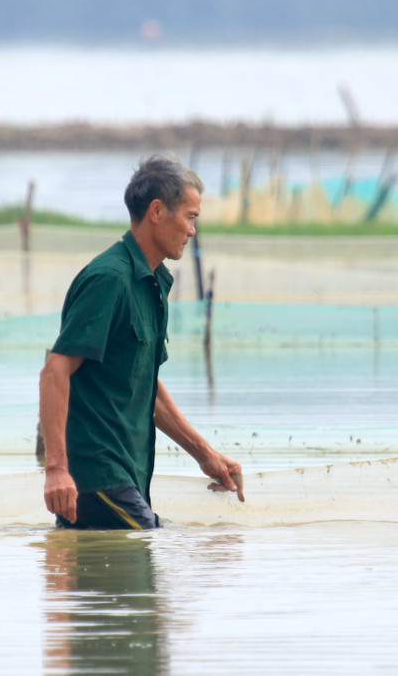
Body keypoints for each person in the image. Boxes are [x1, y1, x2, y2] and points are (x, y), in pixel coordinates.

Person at [39, 155, 244, 529]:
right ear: (157, 211)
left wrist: (205, 454)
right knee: (152, 545)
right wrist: (55, 470)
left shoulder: (154, 282)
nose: (192, 231)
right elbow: (55, 371)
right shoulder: (109, 278)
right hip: (97, 474)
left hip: (127, 474)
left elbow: (146, 386)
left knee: (140, 554)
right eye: (190, 218)